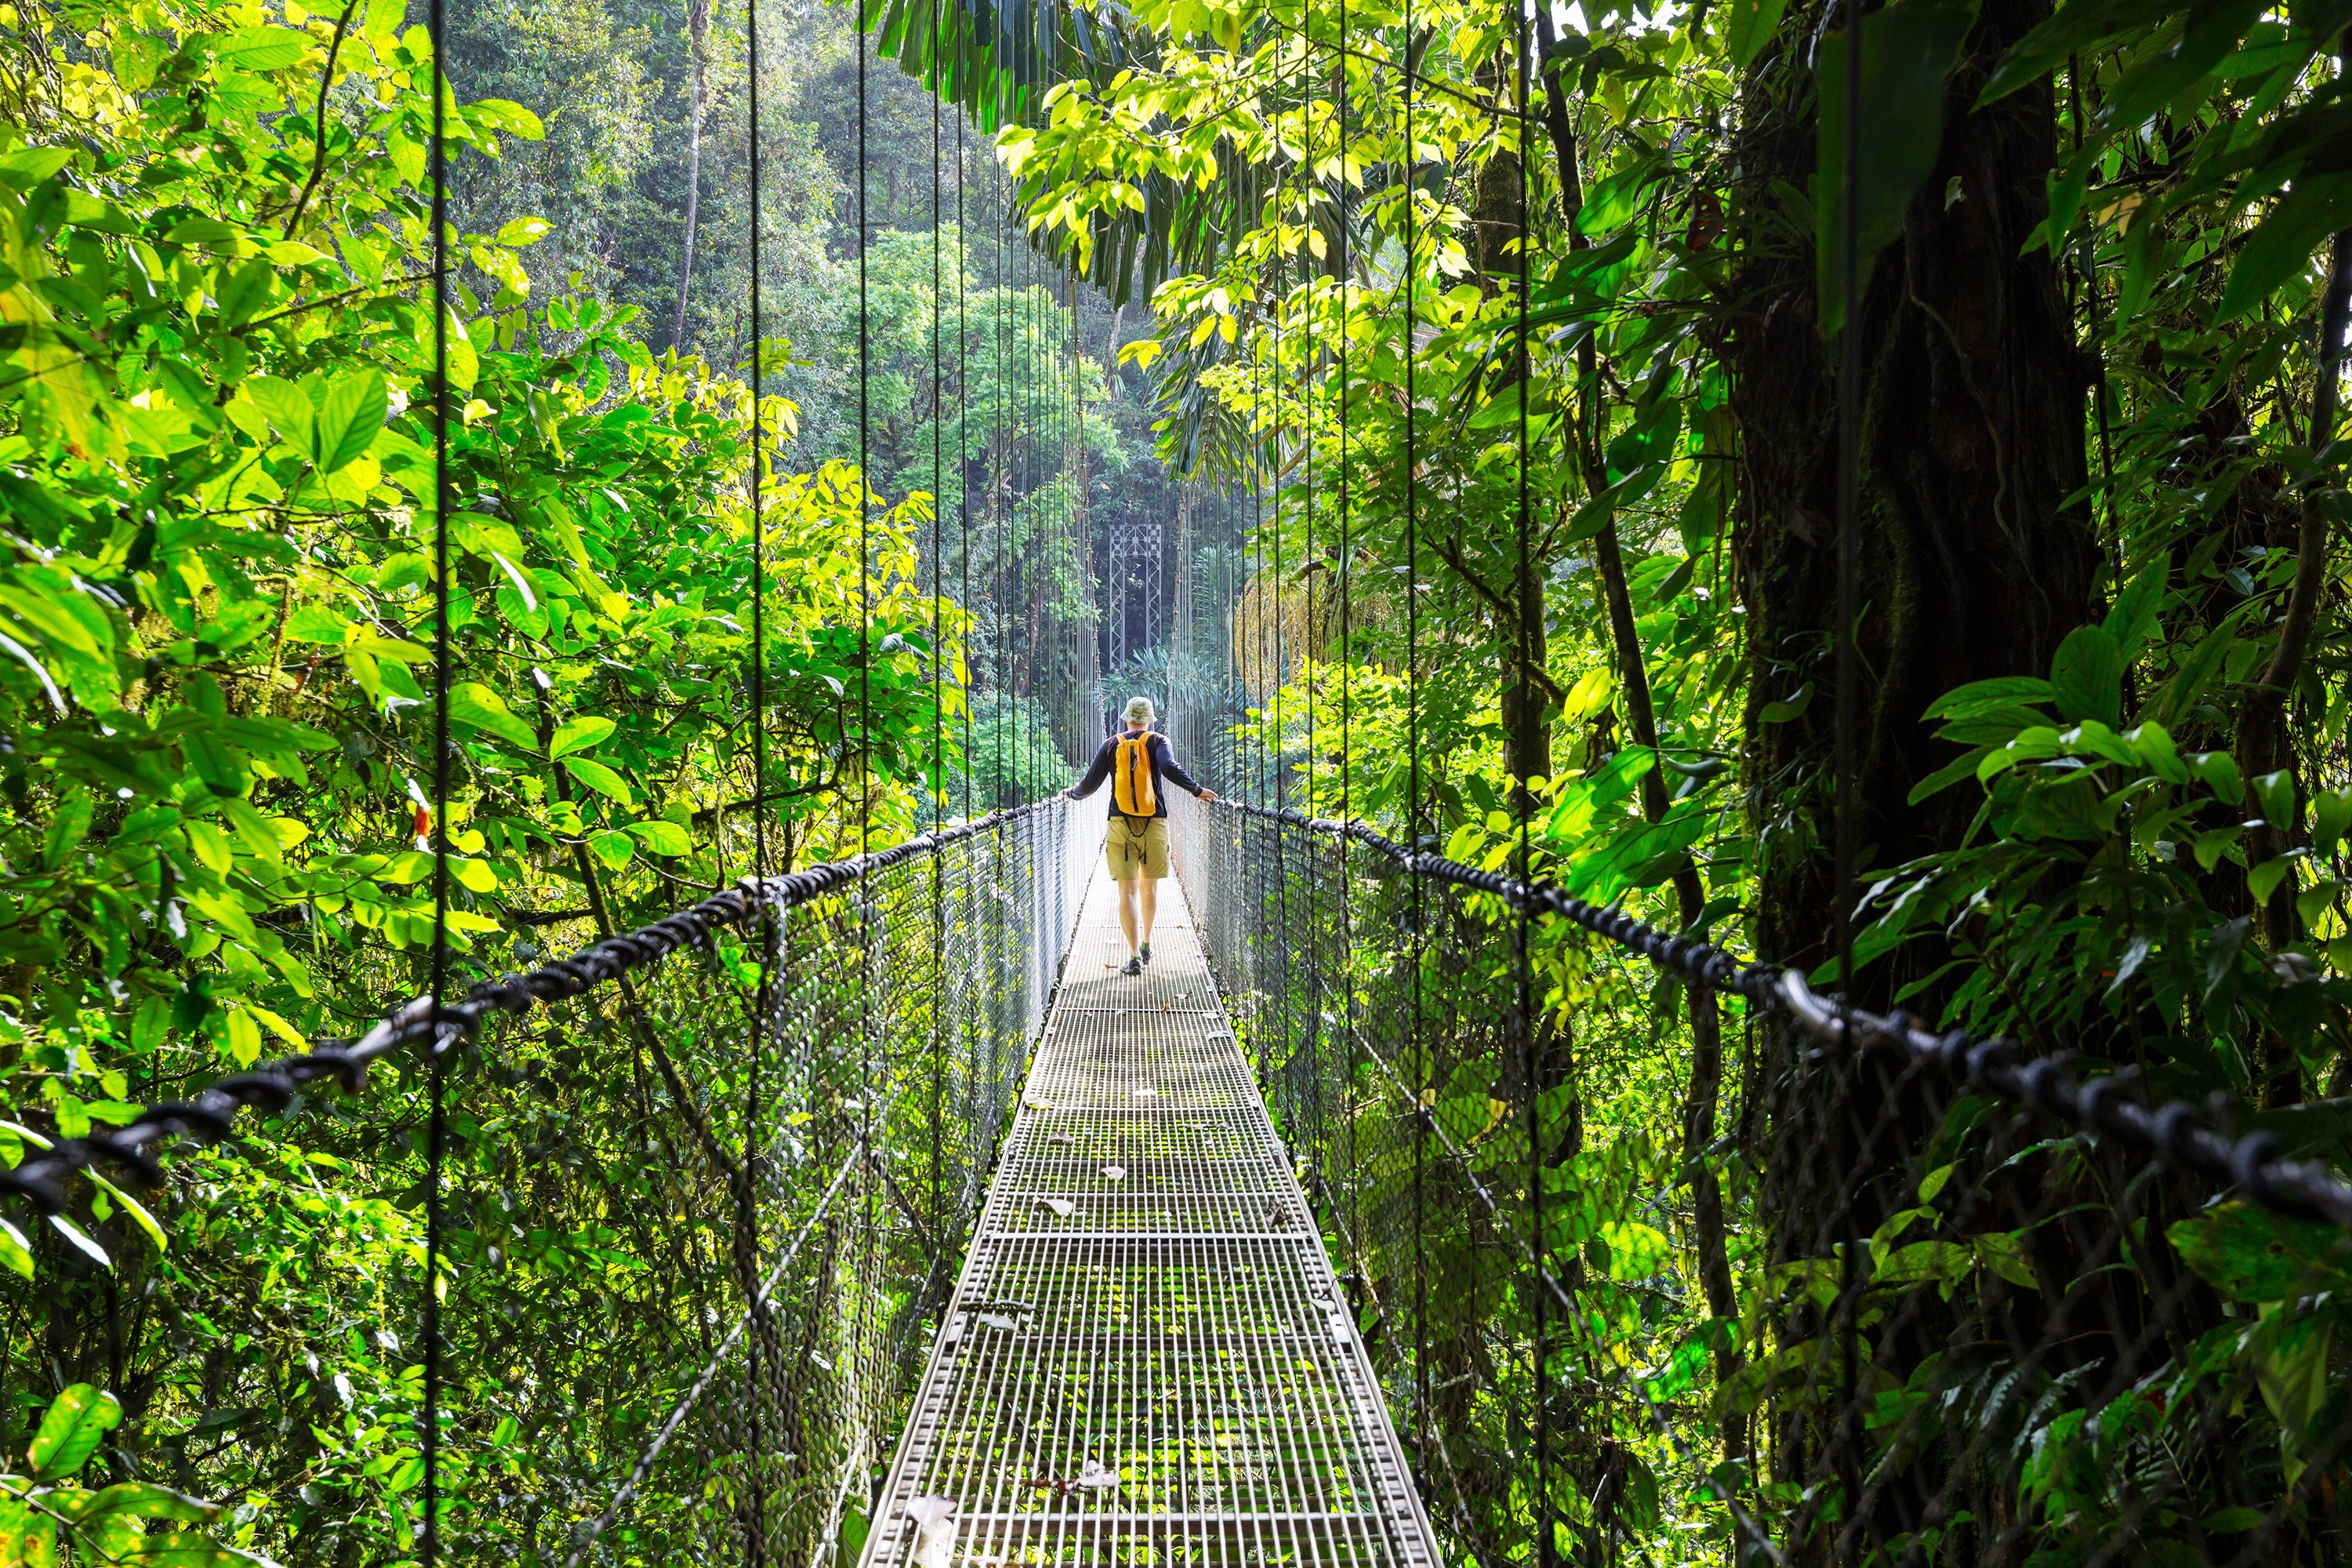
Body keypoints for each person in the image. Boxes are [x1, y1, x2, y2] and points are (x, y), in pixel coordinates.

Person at [1062, 695, 1216, 975]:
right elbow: (1168, 769)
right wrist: (1196, 789)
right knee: (1150, 887)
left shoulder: (1111, 745)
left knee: (1127, 891)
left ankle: (1133, 957)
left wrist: (1071, 794)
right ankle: (1146, 944)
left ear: (1125, 719)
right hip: (1154, 821)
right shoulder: (1157, 741)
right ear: (1150, 720)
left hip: (1119, 822)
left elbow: (1090, 784)